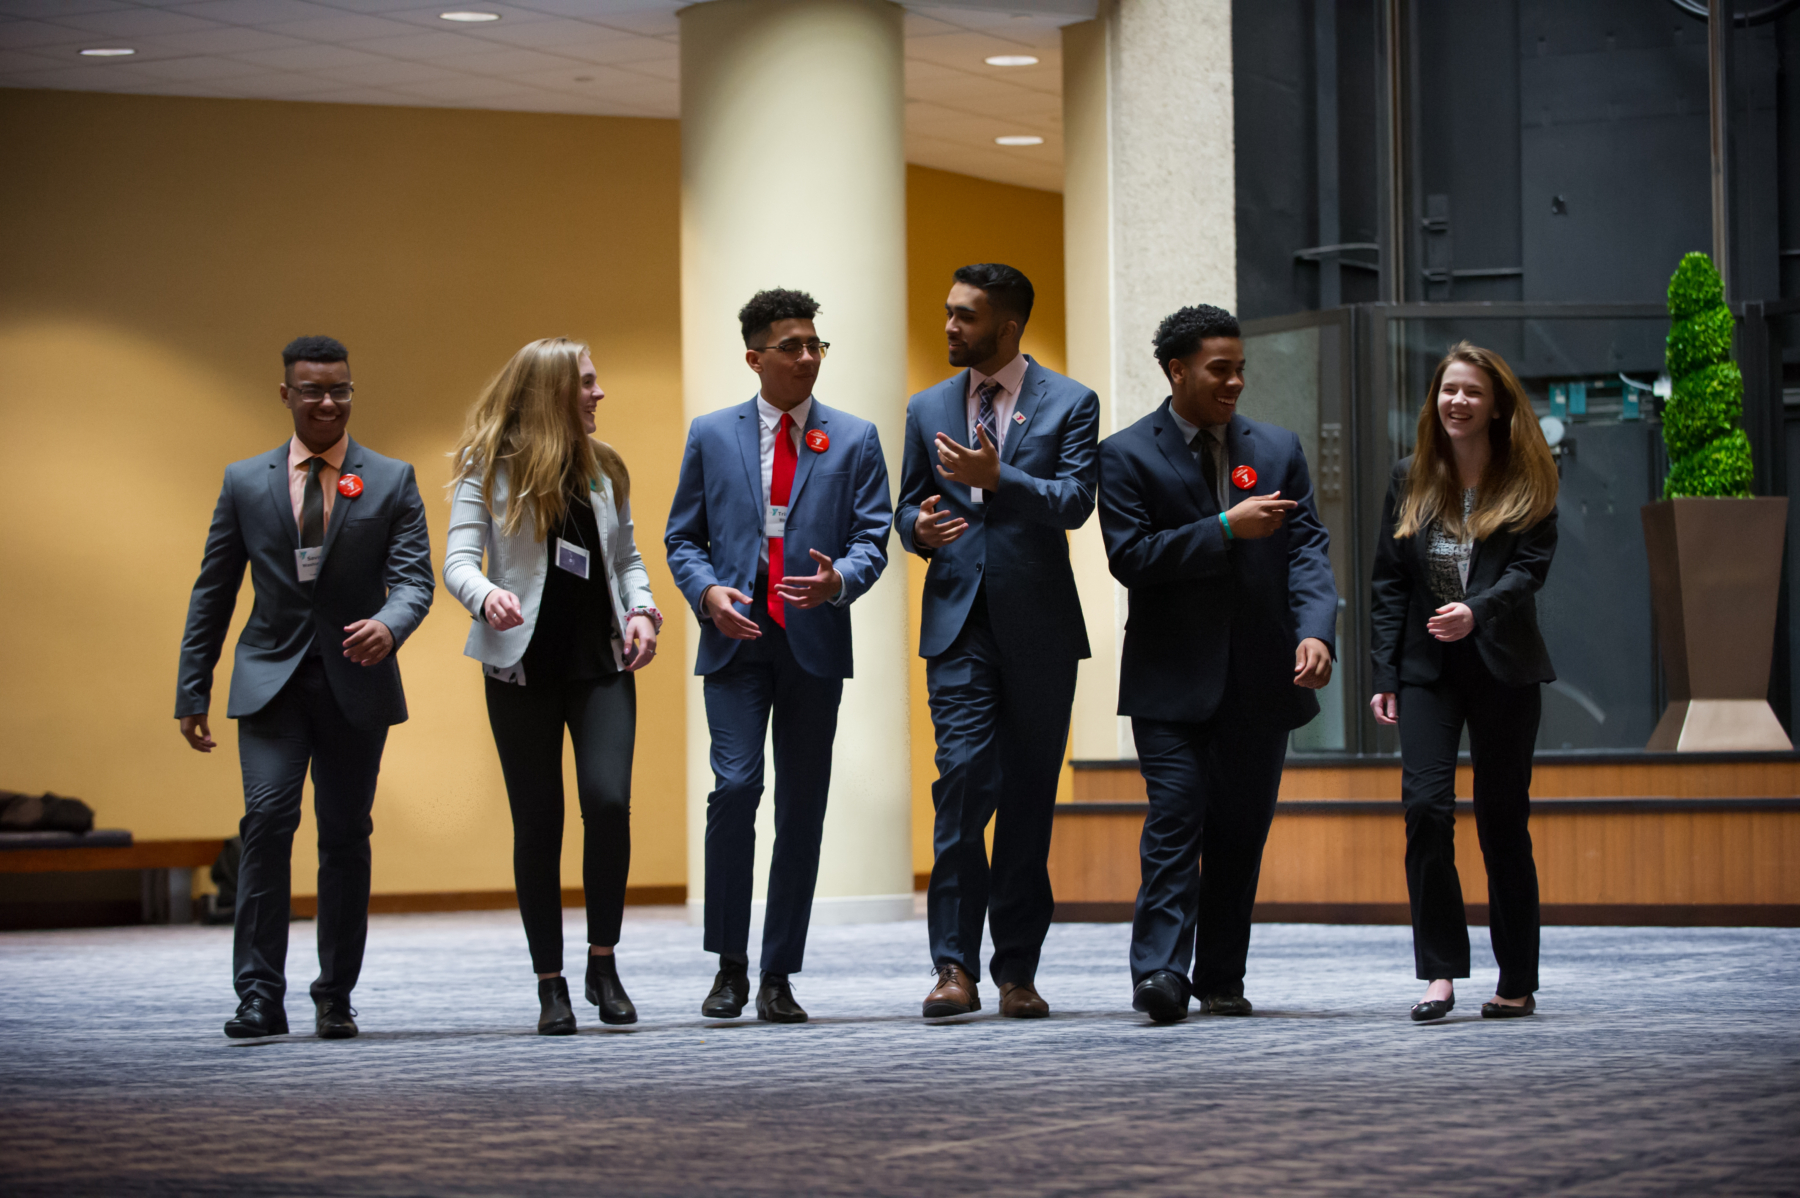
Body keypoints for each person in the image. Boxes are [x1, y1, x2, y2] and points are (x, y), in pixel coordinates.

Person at [176, 335, 435, 1041]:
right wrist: (191, 688)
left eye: (340, 390)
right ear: (286, 394)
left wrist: (389, 624)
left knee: (346, 835)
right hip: (269, 682)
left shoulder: (389, 478)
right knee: (266, 823)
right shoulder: (244, 481)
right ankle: (258, 996)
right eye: (314, 390)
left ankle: (334, 995)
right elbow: (213, 591)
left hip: (357, 679)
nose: (328, 402)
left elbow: (415, 579)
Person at [1096, 304, 1338, 1024]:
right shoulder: (1126, 454)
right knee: (1175, 819)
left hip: (1262, 680)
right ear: (1177, 371)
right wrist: (1225, 528)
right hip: (1169, 684)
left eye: (1240, 368)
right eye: (1219, 369)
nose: (1235, 382)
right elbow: (1131, 558)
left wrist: (1316, 630)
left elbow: (1307, 550)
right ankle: (1161, 974)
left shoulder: (1278, 447)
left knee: (1239, 831)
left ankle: (1222, 976)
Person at [664, 289, 893, 1024]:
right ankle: (729, 965)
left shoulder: (854, 439)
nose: (806, 358)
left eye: (815, 345)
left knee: (802, 809)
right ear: (754, 357)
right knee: (736, 790)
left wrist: (840, 581)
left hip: (813, 644)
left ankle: (777, 974)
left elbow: (872, 538)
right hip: (737, 642)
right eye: (791, 346)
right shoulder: (711, 434)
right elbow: (682, 539)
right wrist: (707, 596)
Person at [894, 264, 1099, 1019]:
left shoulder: (1071, 401)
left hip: (1041, 629)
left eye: (964, 317)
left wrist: (999, 475)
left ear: (1006, 325)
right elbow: (905, 505)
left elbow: (1076, 501)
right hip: (958, 625)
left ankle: (1016, 971)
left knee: (1026, 804)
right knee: (963, 784)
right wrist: (914, 528)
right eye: (949, 313)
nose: (949, 326)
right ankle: (953, 966)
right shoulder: (925, 407)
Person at [443, 338, 662, 1036]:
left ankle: (604, 962)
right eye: (587, 384)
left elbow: (627, 560)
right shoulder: (489, 467)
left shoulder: (606, 469)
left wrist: (643, 612)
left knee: (608, 801)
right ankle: (551, 983)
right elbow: (457, 561)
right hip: (521, 669)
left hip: (600, 664)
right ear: (551, 393)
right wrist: (486, 598)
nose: (599, 395)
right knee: (538, 823)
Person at [1369, 341, 1558, 1023]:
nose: (1457, 401)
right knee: (1425, 810)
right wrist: (1384, 671)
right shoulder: (1410, 476)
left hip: (1504, 668)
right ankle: (1441, 973)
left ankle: (1517, 979)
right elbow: (1389, 582)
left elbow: (1528, 569)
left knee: (1503, 822)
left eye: (1471, 392)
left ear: (1496, 403)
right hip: (1427, 672)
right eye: (1448, 389)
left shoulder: (1528, 477)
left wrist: (1476, 611)